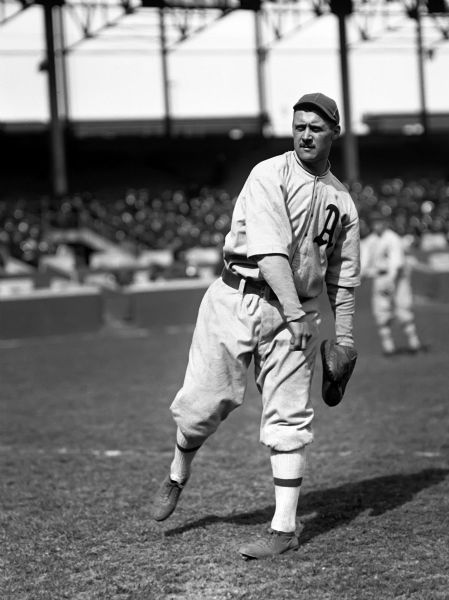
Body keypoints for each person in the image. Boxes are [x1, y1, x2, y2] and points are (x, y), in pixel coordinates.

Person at [152, 92, 361, 559]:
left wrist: (344, 339)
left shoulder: (343, 201)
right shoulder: (269, 173)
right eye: (300, 125)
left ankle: (284, 530)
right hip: (237, 298)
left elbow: (343, 278)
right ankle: (177, 472)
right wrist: (292, 311)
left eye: (317, 127)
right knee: (201, 408)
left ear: (335, 134)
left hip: (297, 311)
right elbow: (269, 252)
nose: (306, 133)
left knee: (289, 418)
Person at [361, 211, 426, 356]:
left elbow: (395, 263)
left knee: (403, 309)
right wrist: (359, 277)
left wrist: (390, 281)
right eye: (374, 222)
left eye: (379, 222)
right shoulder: (370, 241)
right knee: (381, 311)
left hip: (397, 278)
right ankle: (388, 347)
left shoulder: (392, 238)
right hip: (380, 278)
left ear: (384, 223)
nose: (376, 225)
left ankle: (414, 343)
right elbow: (364, 263)